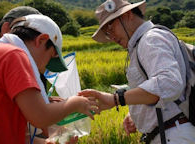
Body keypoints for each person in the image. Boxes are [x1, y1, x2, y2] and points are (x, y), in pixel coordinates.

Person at [78, 0, 195, 144]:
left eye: (111, 28)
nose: (112, 37)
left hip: (173, 134)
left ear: (127, 15)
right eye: (107, 33)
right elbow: (154, 88)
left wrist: (116, 99)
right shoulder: (142, 43)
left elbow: (168, 82)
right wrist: (136, 112)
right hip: (170, 133)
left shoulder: (150, 39)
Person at [0, 14, 99, 144]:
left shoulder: (1, 53)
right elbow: (40, 116)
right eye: (50, 57)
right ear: (41, 40)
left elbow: (15, 135)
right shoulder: (13, 55)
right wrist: (74, 103)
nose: (43, 69)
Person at [0, 6, 48, 91]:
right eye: (29, 34)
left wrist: (47, 100)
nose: (37, 43)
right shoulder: (8, 57)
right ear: (6, 29)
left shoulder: (34, 63)